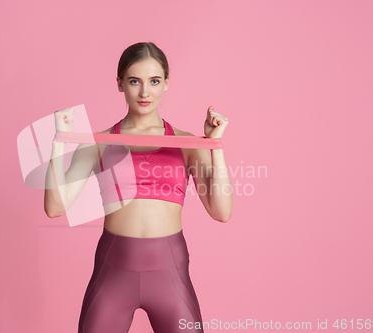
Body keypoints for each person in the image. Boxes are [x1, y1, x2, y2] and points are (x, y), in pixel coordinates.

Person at [44, 41, 232, 333]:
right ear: (120, 83)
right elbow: (55, 207)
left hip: (170, 274)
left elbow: (221, 212)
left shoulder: (187, 143)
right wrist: (60, 141)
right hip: (113, 273)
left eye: (154, 81)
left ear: (166, 83)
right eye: (135, 81)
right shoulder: (98, 142)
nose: (145, 92)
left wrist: (215, 144)